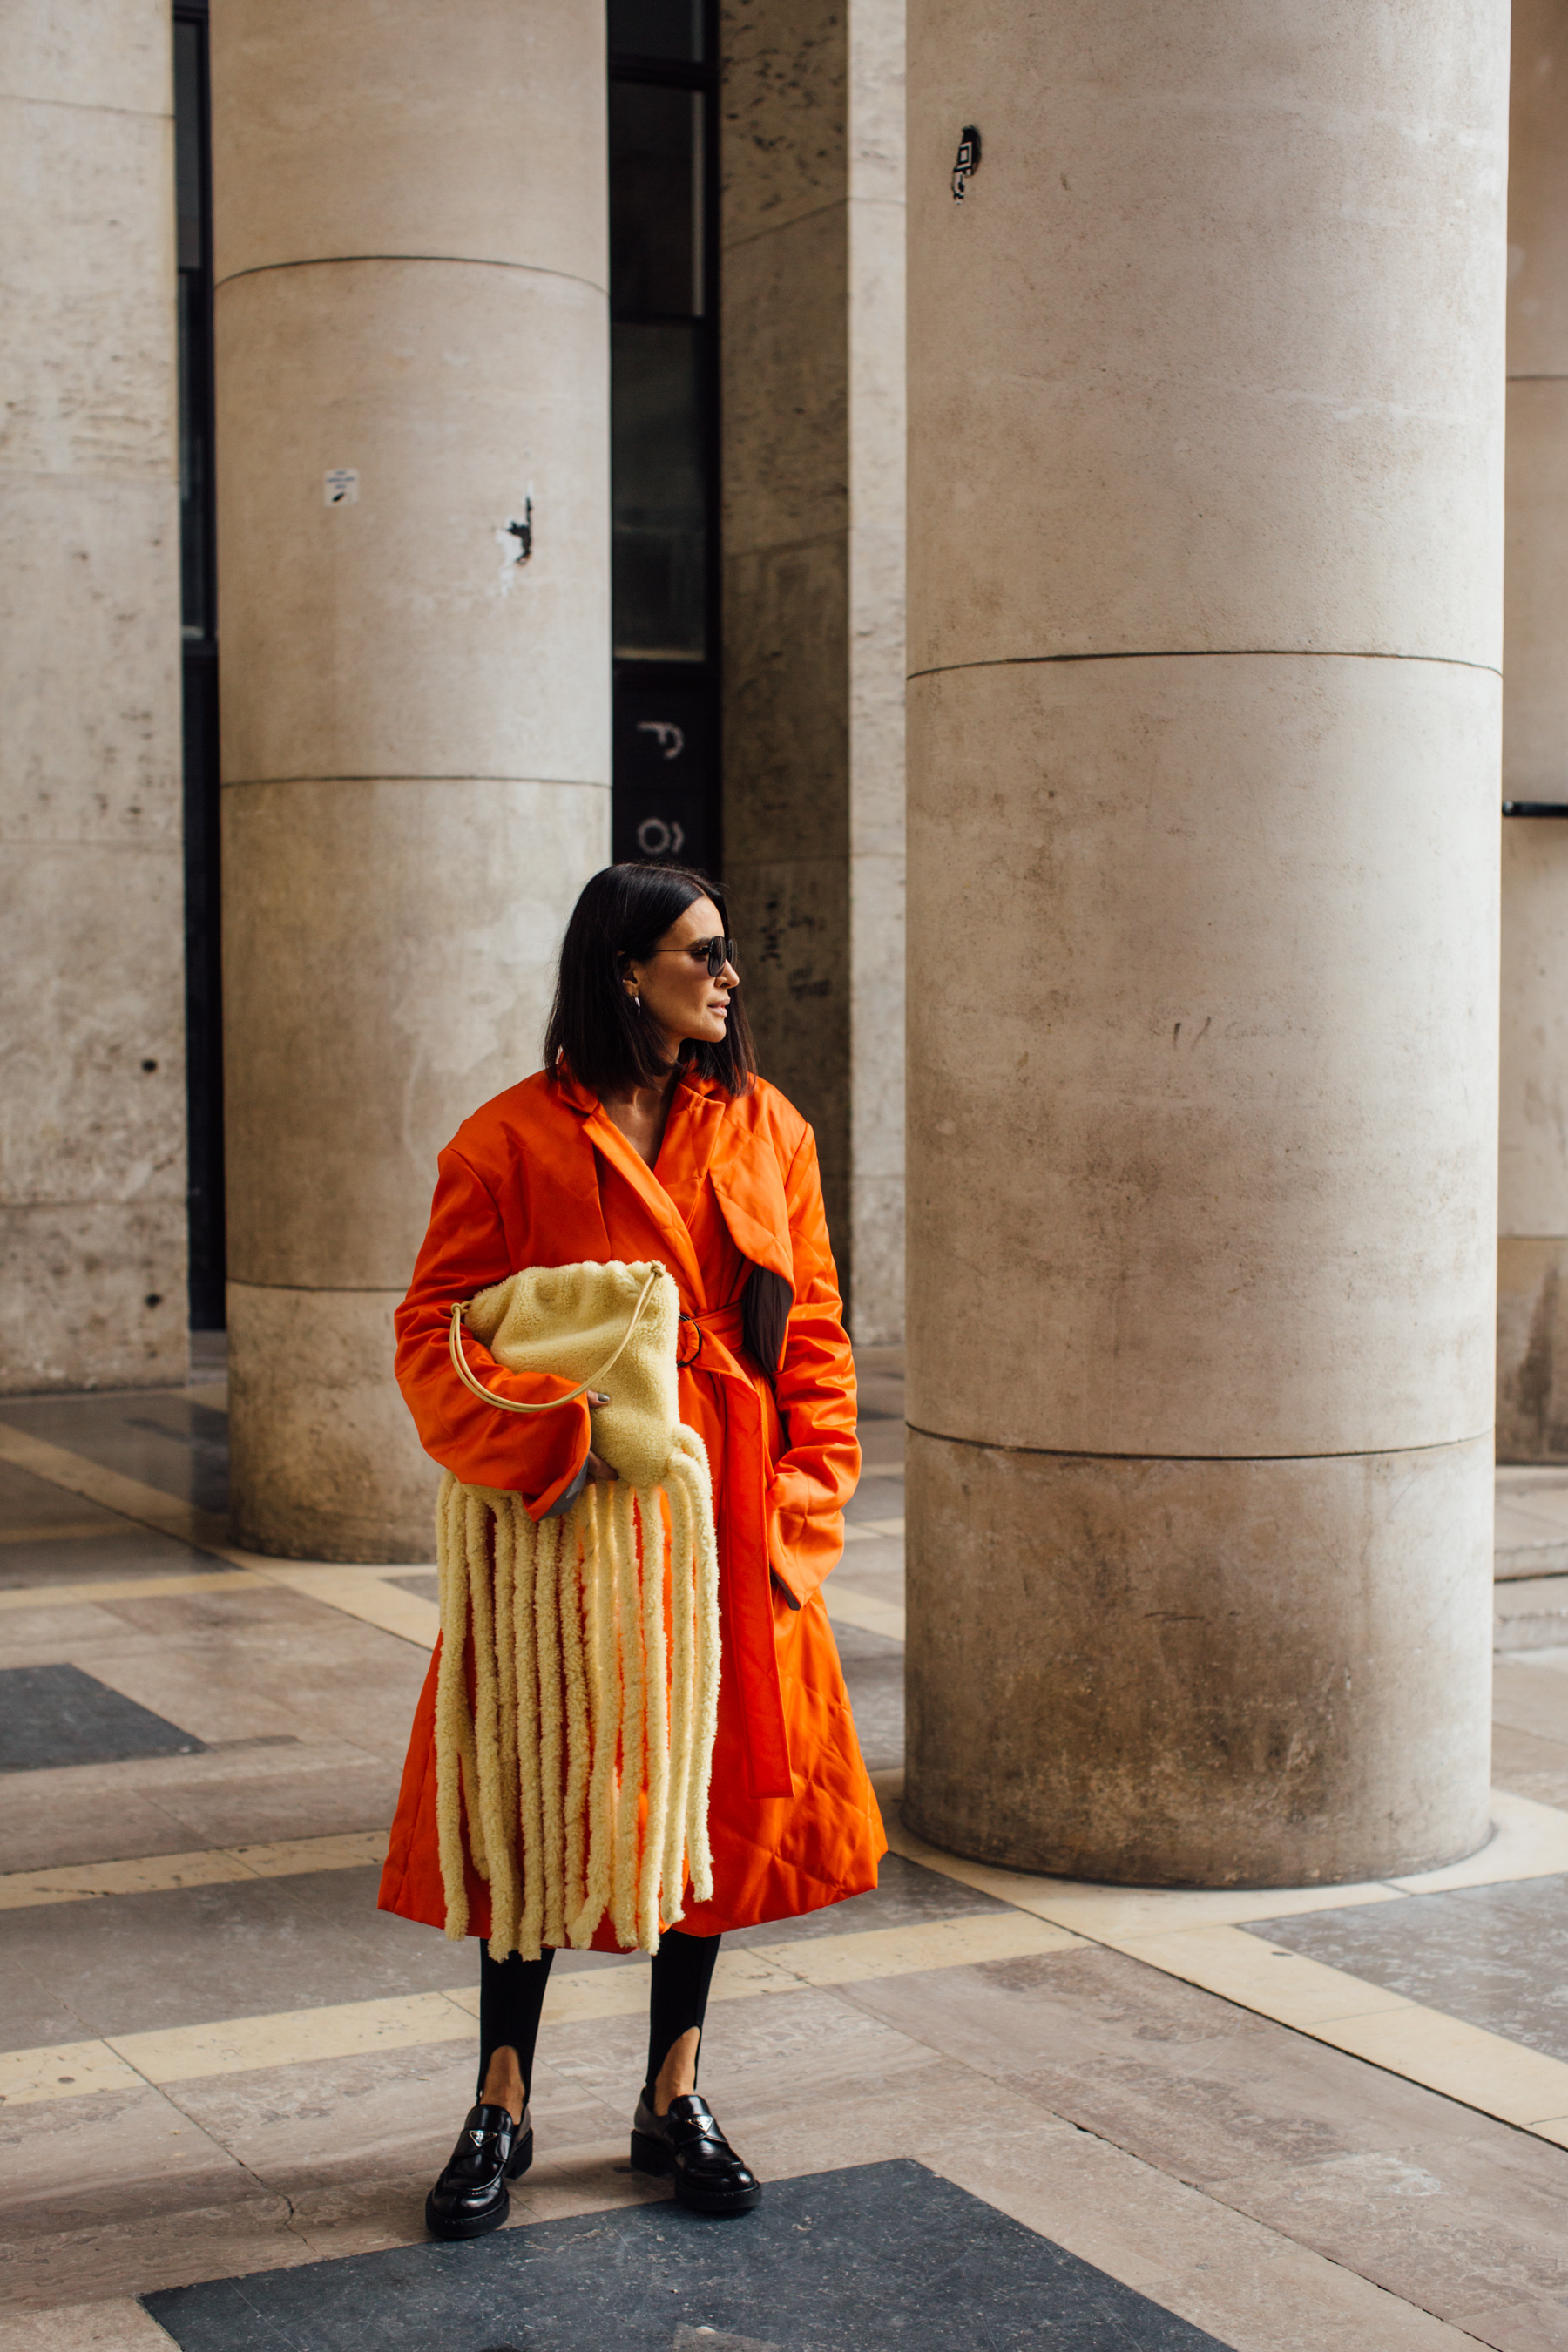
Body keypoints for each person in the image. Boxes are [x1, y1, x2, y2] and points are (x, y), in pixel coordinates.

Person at [379, 861, 885, 2237]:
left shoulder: (768, 1125)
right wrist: (558, 1448)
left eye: (726, 954)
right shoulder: (507, 1142)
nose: (728, 976)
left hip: (733, 1513)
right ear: (624, 973)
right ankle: (502, 2102)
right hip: (577, 1532)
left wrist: (804, 1505)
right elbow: (435, 1335)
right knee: (542, 1789)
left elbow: (821, 1332)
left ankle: (676, 2093)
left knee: (708, 1808)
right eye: (700, 953)